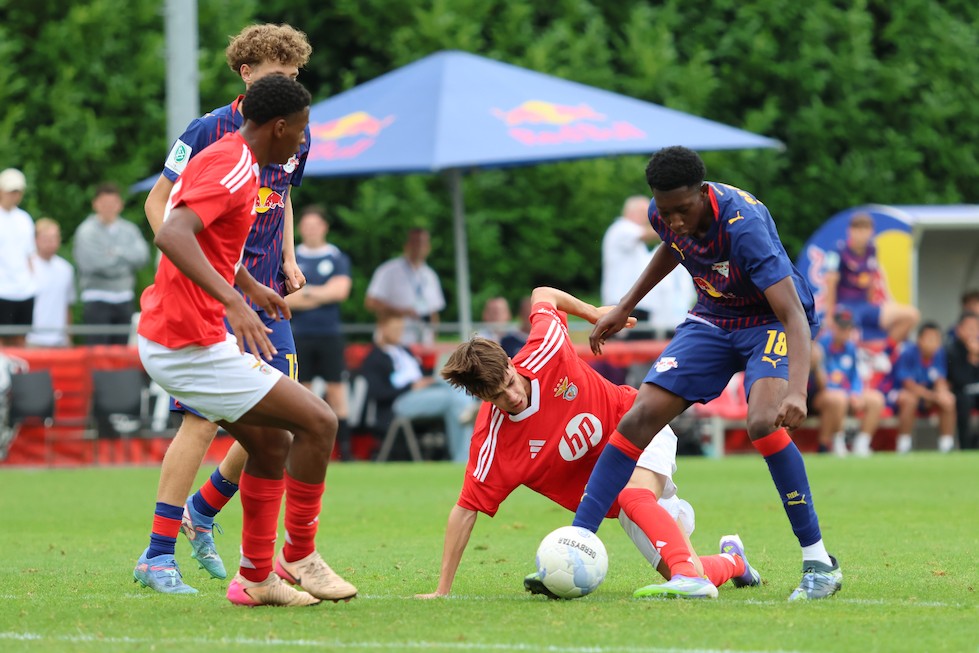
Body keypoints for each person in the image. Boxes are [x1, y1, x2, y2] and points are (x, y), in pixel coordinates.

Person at [134, 25, 357, 603]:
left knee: (280, 429)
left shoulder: (286, 138)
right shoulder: (214, 135)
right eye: (274, 68)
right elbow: (164, 213)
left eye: (293, 69)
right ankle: (167, 551)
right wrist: (210, 283)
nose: (286, 77)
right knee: (225, 421)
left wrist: (272, 268)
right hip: (201, 310)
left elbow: (279, 198)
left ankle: (224, 536)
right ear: (246, 74)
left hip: (253, 293)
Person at [576, 146, 842, 601]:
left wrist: (797, 391)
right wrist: (623, 307)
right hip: (714, 317)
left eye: (683, 210)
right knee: (640, 415)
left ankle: (819, 563)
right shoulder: (666, 214)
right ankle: (576, 542)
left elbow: (793, 313)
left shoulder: (744, 228)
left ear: (703, 193)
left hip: (768, 321)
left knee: (762, 422)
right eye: (665, 211)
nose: (674, 220)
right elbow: (673, 248)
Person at [415, 287, 761, 600]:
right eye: (497, 396)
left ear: (510, 361)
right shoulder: (494, 440)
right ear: (481, 397)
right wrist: (442, 590)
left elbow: (542, 294)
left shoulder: (545, 348)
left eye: (509, 382)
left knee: (633, 495)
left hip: (638, 422)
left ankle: (688, 576)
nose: (513, 396)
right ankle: (732, 561)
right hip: (611, 495)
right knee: (683, 566)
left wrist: (593, 312)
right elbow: (465, 510)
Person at [360, 314, 478, 462]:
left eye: (401, 329)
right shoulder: (374, 358)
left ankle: (467, 413)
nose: (399, 332)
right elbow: (378, 393)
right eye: (395, 329)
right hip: (400, 401)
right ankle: (464, 455)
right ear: (382, 329)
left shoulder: (405, 351)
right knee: (454, 399)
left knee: (457, 386)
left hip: (425, 392)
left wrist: (427, 380)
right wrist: (411, 386)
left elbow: (420, 374)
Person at [285, 205, 353, 460]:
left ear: (324, 227)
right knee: (303, 393)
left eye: (316, 225)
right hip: (298, 333)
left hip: (329, 335)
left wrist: (306, 293)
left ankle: (345, 452)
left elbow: (341, 292)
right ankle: (303, 452)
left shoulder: (336, 257)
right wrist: (321, 293)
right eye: (306, 225)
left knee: (336, 392)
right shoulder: (291, 257)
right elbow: (285, 298)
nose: (311, 230)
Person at [822, 212, 919, 345]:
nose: (861, 234)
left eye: (865, 229)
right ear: (849, 231)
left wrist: (873, 307)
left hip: (865, 306)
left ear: (871, 232)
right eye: (858, 229)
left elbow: (872, 280)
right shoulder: (838, 250)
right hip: (845, 306)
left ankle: (885, 353)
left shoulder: (872, 249)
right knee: (847, 332)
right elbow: (830, 282)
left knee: (911, 315)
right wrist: (829, 315)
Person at [72, 183, 150, 345]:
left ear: (120, 205)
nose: (108, 208)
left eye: (112, 203)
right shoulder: (86, 232)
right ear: (95, 204)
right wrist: (124, 262)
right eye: (104, 203)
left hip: (124, 298)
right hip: (96, 298)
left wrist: (115, 252)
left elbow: (142, 257)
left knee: (120, 354)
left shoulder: (130, 230)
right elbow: (93, 264)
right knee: (97, 352)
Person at [810, 306, 884, 457]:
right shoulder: (820, 347)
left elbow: (855, 376)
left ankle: (862, 444)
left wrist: (855, 394)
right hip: (820, 396)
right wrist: (844, 393)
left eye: (849, 329)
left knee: (876, 399)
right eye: (842, 328)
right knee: (838, 398)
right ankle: (837, 443)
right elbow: (820, 383)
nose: (845, 332)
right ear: (833, 327)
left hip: (845, 395)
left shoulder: (851, 348)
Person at [365, 227, 445, 345]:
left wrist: (433, 337)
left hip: (423, 342)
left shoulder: (430, 275)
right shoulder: (388, 271)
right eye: (415, 242)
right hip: (394, 341)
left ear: (429, 247)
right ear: (406, 245)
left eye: (423, 243)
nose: (419, 247)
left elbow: (434, 312)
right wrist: (401, 311)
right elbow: (371, 302)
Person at [886, 322, 956, 454]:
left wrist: (942, 393)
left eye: (936, 339)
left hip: (927, 397)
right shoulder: (907, 353)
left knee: (948, 399)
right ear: (919, 339)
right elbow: (908, 385)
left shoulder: (939, 354)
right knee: (909, 400)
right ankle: (904, 444)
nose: (933, 343)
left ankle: (947, 445)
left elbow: (940, 379)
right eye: (929, 339)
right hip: (899, 395)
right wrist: (932, 396)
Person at [601, 196, 659, 338]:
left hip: (632, 303)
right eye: (645, 213)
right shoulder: (622, 227)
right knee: (626, 354)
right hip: (623, 304)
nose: (648, 219)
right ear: (632, 212)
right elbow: (649, 234)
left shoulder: (630, 235)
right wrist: (677, 225)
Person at [0, 168, 36, 347]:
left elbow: (29, 255)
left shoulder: (24, 219)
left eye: (18, 191)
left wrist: (32, 282)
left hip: (24, 290)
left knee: (21, 339)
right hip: (2, 290)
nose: (14, 195)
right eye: (11, 191)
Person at [26, 218, 75, 347]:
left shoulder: (66, 269)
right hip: (32, 340)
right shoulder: (26, 267)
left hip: (59, 340)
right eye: (46, 238)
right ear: (36, 240)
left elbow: (67, 306)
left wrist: (68, 336)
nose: (50, 243)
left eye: (54, 238)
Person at [946, 312, 979, 450]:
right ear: (959, 330)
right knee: (963, 403)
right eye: (969, 328)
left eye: (976, 328)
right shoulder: (951, 350)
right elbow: (960, 380)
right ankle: (965, 447)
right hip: (961, 393)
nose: (973, 332)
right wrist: (972, 357)